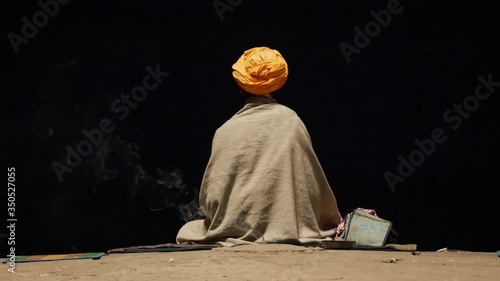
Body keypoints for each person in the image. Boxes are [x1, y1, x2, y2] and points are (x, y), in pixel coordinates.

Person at [176, 47, 341, 246]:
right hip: (288, 227)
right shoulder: (291, 122)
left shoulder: (225, 130)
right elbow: (313, 190)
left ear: (240, 85)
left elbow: (211, 199)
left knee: (188, 230)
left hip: (233, 229)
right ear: (280, 85)